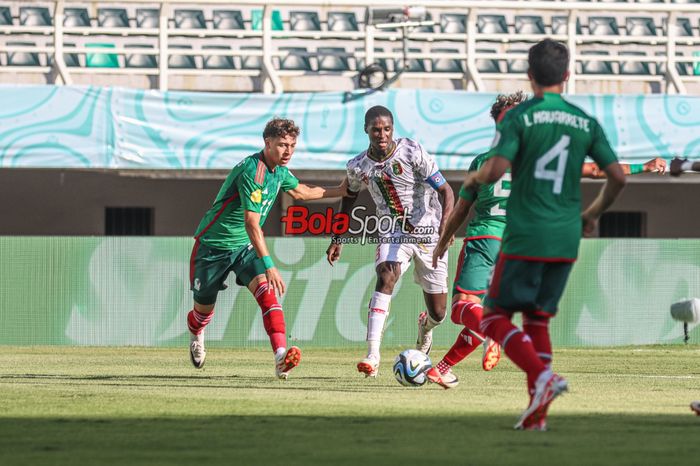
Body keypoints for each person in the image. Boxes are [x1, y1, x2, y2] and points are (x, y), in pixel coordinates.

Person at [426, 92, 666, 390]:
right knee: (485, 314)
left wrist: (443, 240)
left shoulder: (482, 161)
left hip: (485, 238)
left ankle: (495, 334)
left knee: (464, 307)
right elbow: (595, 170)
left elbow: (461, 209)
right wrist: (645, 165)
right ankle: (442, 368)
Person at [462, 39, 627, 430]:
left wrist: (475, 177)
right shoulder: (585, 121)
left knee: (493, 317)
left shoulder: (520, 118)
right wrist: (592, 214)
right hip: (567, 236)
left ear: (530, 76)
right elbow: (617, 176)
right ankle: (538, 415)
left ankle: (542, 378)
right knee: (538, 321)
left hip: (526, 234)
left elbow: (497, 169)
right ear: (567, 76)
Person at [187, 117, 347, 379]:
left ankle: (280, 357)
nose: (288, 151)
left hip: (244, 248)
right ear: (267, 142)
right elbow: (252, 223)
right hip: (212, 247)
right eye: (283, 145)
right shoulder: (254, 171)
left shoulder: (279, 171)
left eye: (293, 146)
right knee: (202, 312)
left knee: (268, 296)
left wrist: (341, 190)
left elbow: (303, 192)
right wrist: (270, 265)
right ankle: (196, 332)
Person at [326, 105, 455, 377]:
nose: (381, 134)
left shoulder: (411, 151)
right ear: (366, 130)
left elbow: (446, 190)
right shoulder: (358, 166)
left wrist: (446, 228)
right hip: (392, 230)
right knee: (386, 274)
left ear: (392, 129)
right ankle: (372, 355)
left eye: (386, 129)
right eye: (376, 129)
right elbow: (348, 197)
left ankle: (426, 327)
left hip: (428, 231)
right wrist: (338, 236)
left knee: (440, 312)